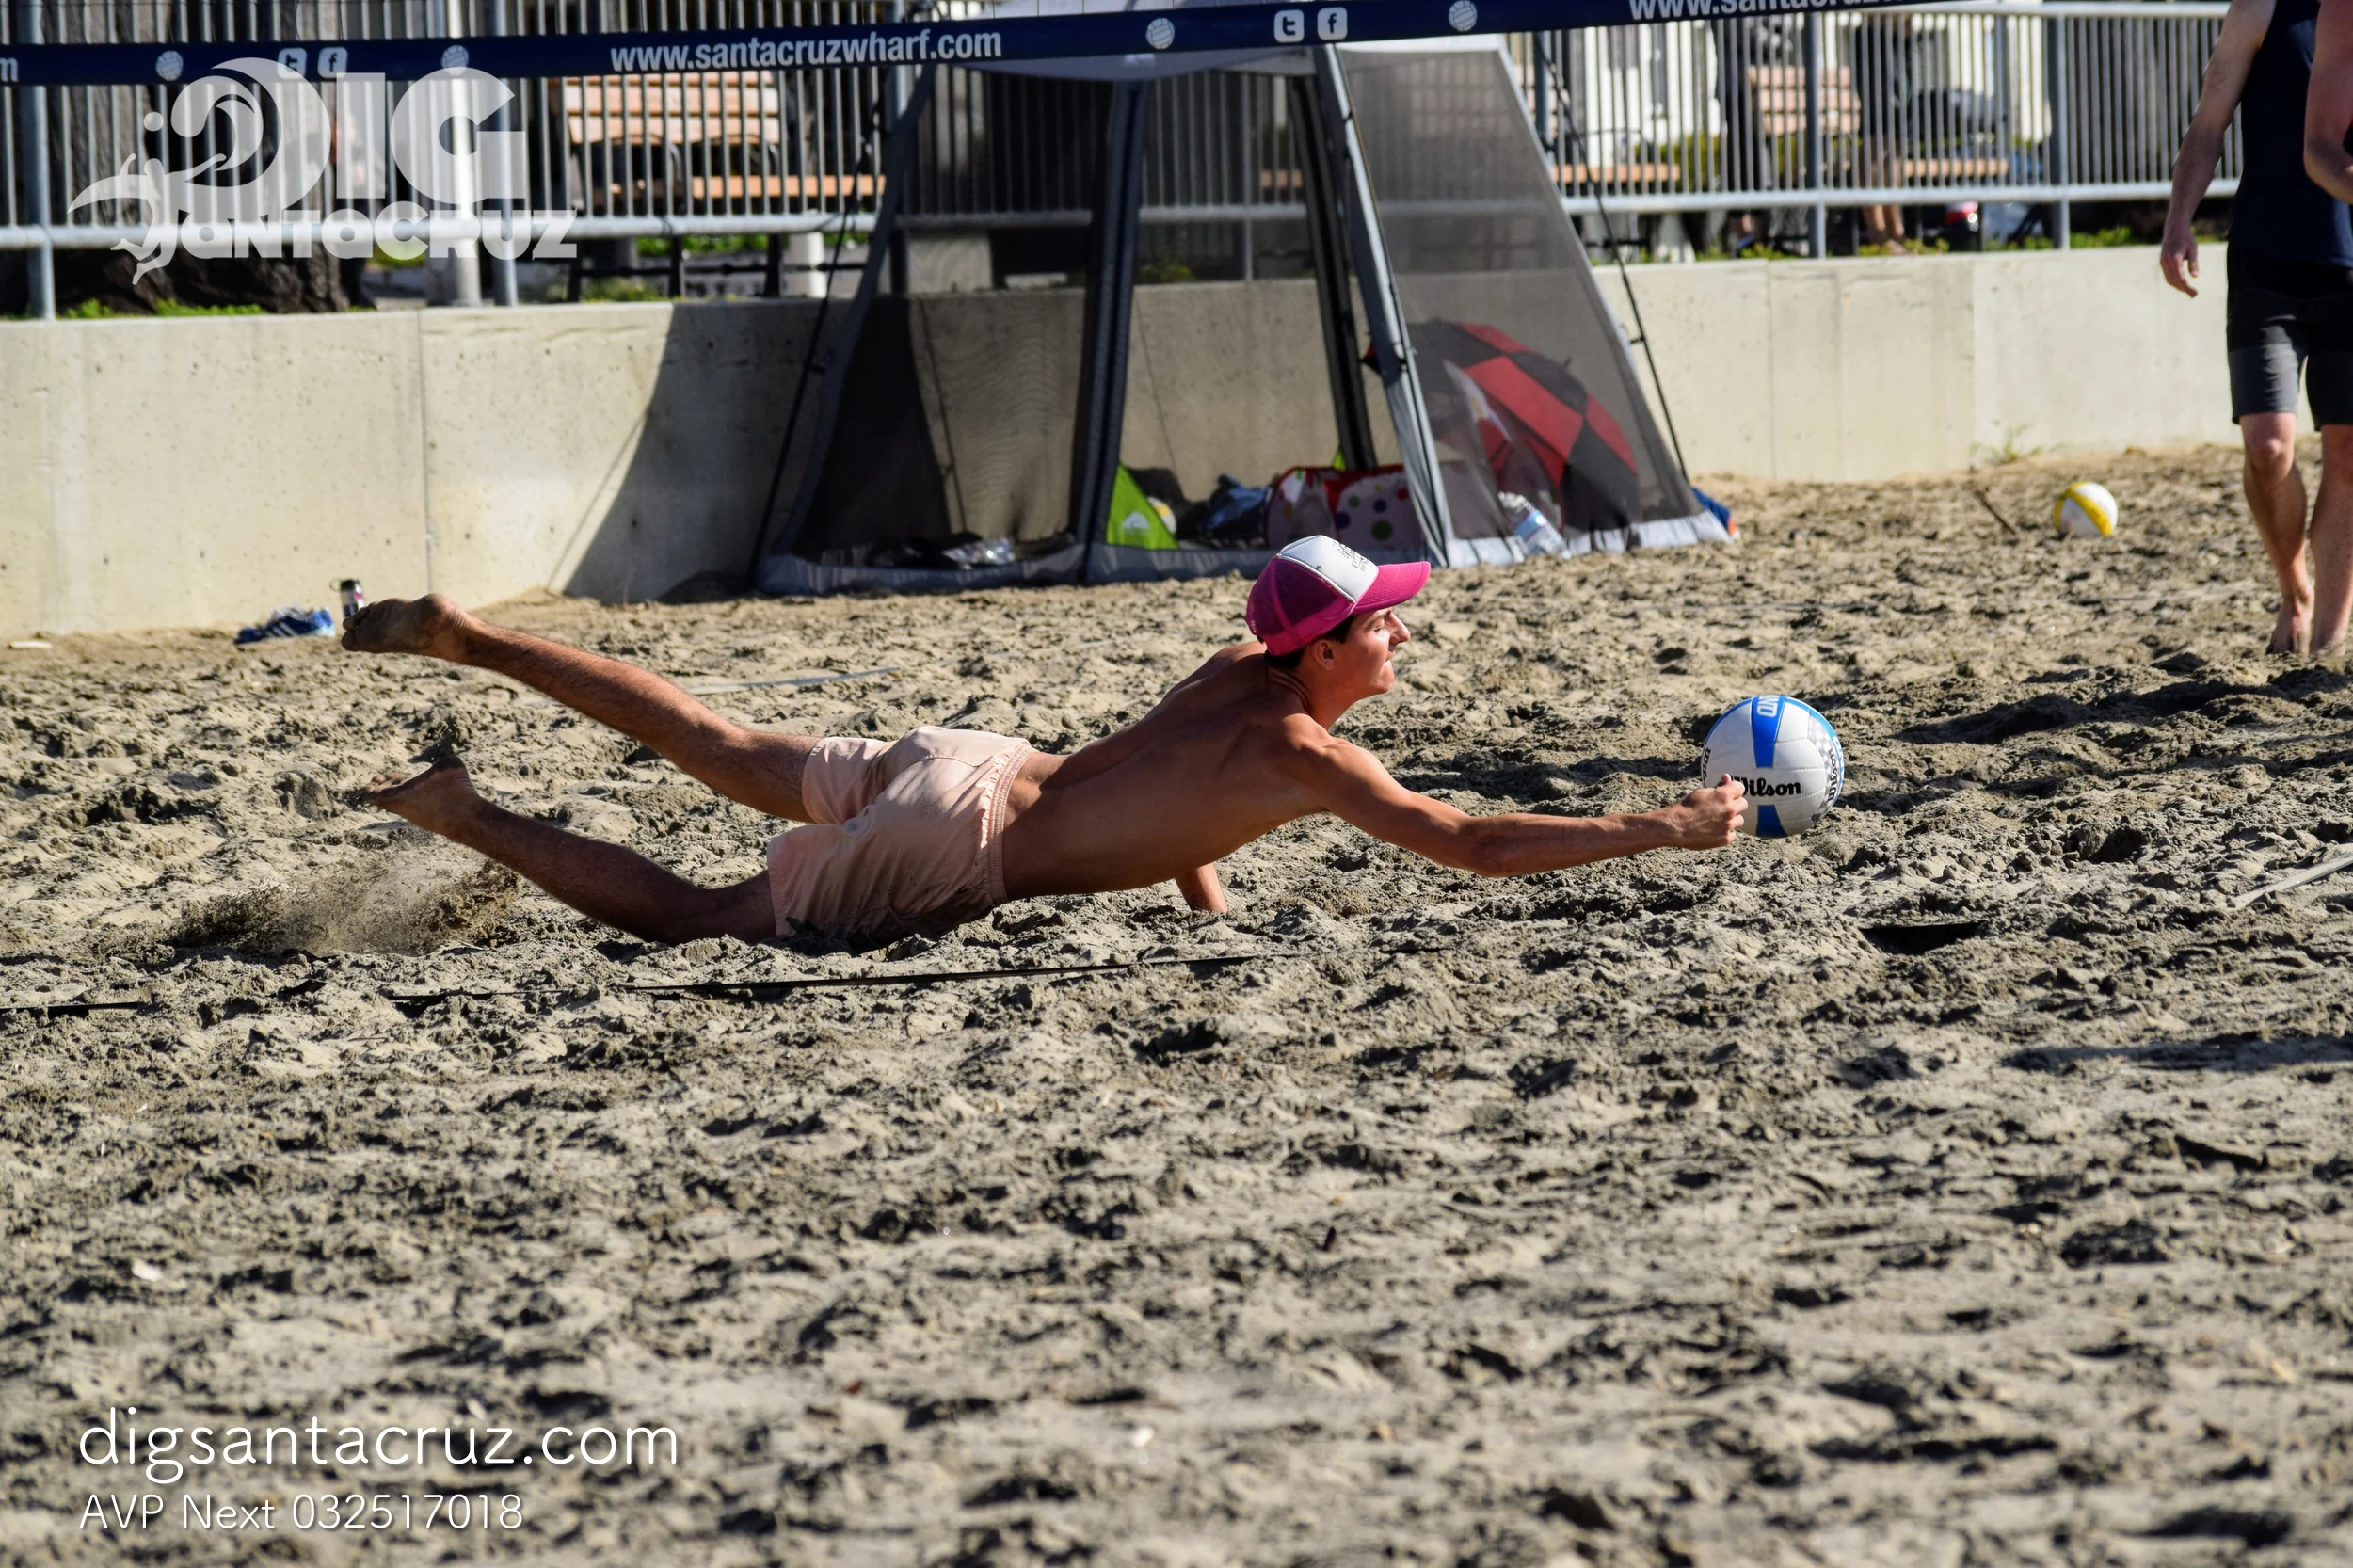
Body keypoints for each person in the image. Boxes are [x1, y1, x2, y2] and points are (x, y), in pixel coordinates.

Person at [343, 538, 1748, 947]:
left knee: (716, 737)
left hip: (971, 759)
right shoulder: (1306, 757)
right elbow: (1474, 844)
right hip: (960, 839)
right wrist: (1659, 826)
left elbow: (1169, 792)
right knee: (696, 919)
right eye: (1383, 621)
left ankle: (477, 638)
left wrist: (1206, 900)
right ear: (1321, 650)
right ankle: (468, 813)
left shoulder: (1236, 669)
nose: (1402, 632)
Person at [2165, 0, 2353, 656]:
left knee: (2348, 452)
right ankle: (2295, 586)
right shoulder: (2261, 7)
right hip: (2266, 257)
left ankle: (2326, 643)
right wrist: (2179, 221)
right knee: (2269, 447)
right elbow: (2208, 124)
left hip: (2350, 265)